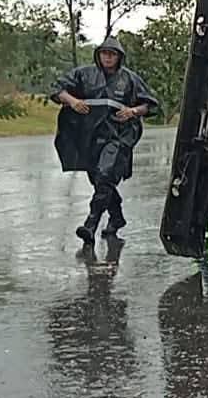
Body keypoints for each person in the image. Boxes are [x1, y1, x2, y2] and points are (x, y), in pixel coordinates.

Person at [51, 37, 161, 243]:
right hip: (91, 136)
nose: (108, 58)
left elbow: (150, 105)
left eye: (112, 54)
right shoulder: (84, 74)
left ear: (119, 57)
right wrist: (73, 101)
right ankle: (117, 218)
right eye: (104, 53)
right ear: (98, 55)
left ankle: (90, 225)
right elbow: (58, 89)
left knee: (105, 174)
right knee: (100, 181)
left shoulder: (130, 79)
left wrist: (132, 111)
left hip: (119, 135)